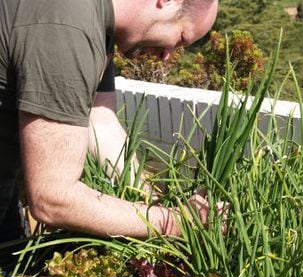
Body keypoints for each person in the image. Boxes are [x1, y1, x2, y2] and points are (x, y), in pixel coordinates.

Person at [0, 0, 218, 254]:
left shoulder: (97, 23)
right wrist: (174, 222)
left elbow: (100, 121)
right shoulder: (69, 27)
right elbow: (53, 198)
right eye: (181, 37)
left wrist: (155, 199)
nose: (168, 55)